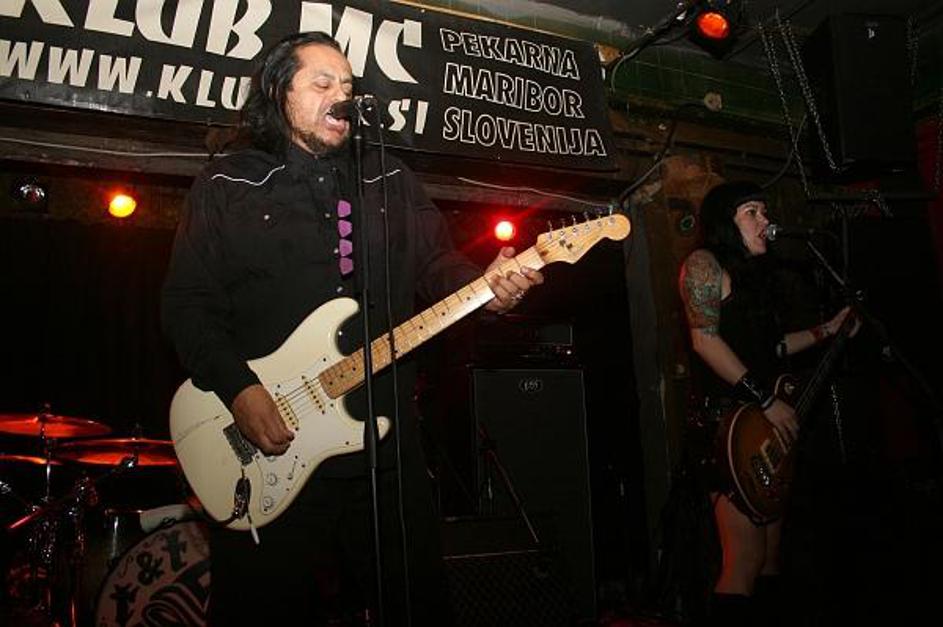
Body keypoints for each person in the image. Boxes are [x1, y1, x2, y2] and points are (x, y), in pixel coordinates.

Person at [161, 31, 543, 626]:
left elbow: (437, 265)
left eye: (347, 85)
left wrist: (485, 288)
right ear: (279, 92)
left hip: (385, 444)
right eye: (322, 83)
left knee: (417, 606)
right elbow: (188, 303)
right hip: (271, 441)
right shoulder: (227, 184)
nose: (340, 96)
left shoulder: (389, 179)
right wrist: (239, 390)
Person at [677, 181, 856, 626]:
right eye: (752, 212)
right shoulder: (704, 264)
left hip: (762, 425)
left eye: (764, 211)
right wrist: (767, 398)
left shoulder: (756, 278)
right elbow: (704, 341)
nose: (765, 221)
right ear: (726, 221)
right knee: (744, 559)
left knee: (771, 558)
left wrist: (827, 331)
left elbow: (770, 349)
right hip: (727, 425)